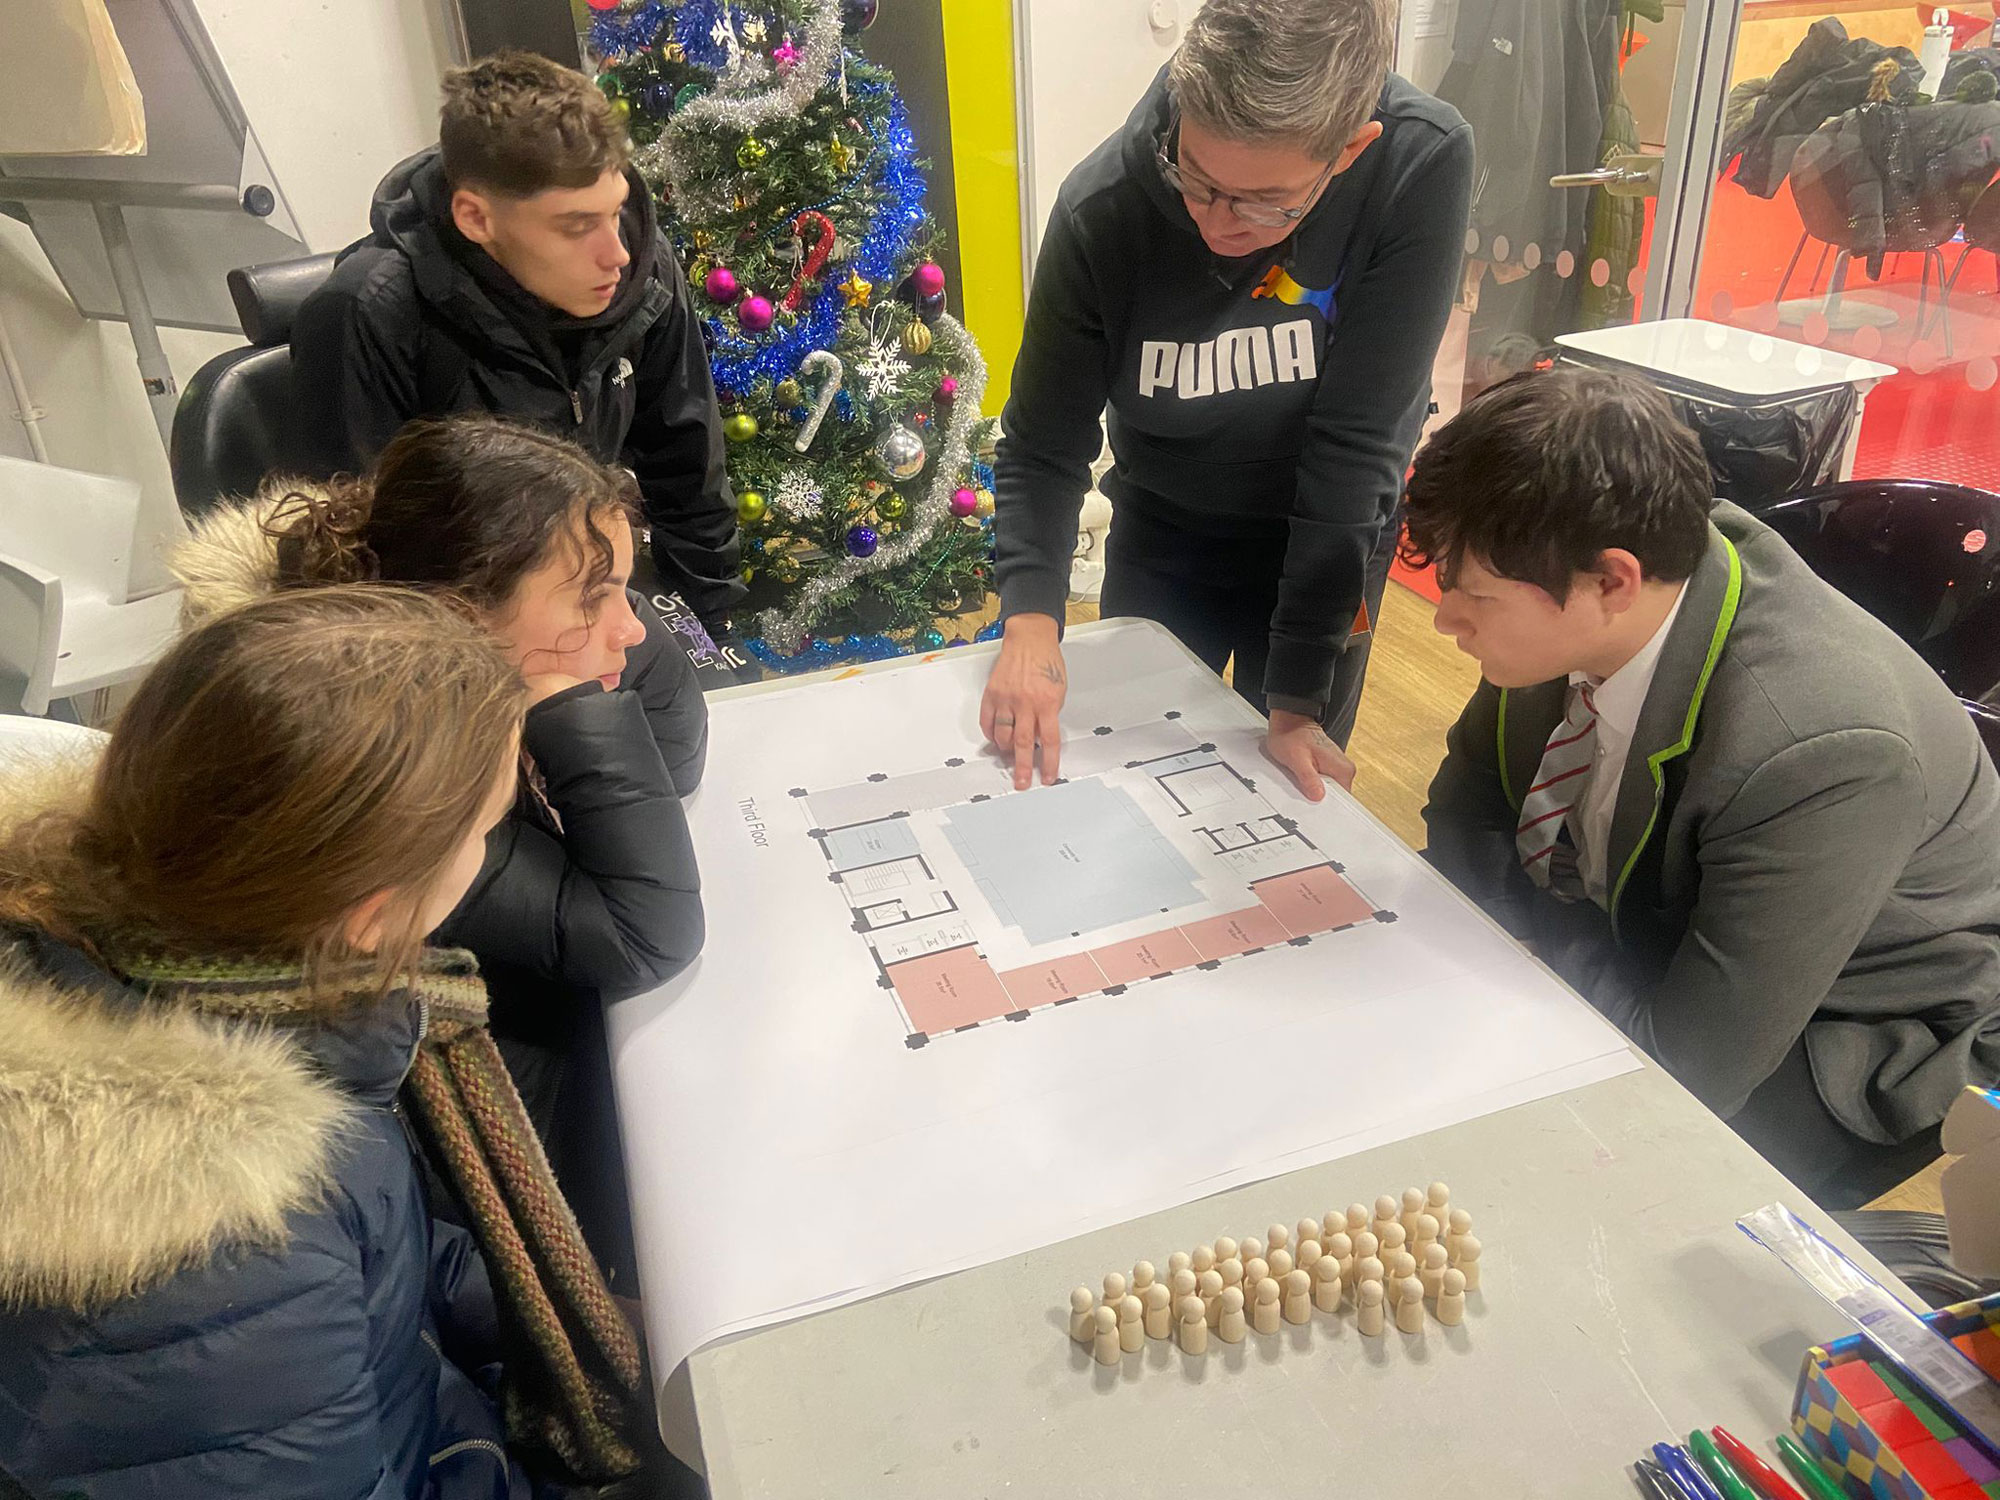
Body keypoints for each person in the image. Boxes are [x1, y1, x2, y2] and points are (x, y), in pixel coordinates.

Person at [0, 589, 645, 1495]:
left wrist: (568, 1326)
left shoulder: (146, 942)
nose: (486, 852)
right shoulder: (215, 1263)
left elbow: (387, 1260)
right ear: (373, 918)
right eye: (484, 830)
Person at [1416, 366, 2000, 1207]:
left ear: (1612, 580)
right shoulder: (1583, 591)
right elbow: (1464, 810)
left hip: (1848, 1026)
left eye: (1471, 595)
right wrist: (1526, 937)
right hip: (1643, 939)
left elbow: (1686, 1068)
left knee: (1570, 1194)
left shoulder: (1819, 747)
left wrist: (1526, 941)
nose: (1444, 619)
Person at [173, 413, 703, 1286]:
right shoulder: (369, 766)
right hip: (487, 1131)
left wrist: (582, 624)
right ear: (462, 617)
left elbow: (676, 755)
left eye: (623, 589)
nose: (633, 627)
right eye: (590, 598)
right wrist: (575, 698)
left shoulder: (473, 645)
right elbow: (641, 935)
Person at [982, 0, 1473, 797]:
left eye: (1264, 202)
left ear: (1351, 150)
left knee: (1281, 793)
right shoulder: (1103, 207)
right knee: (1136, 779)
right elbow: (1042, 443)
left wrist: (1296, 698)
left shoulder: (1420, 161)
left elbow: (1358, 446)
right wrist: (1031, 619)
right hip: (1167, 529)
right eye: (1197, 180)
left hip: (1327, 538)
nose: (1216, 223)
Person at [290, 48, 744, 643]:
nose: (618, 253)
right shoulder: (368, 311)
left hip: (592, 587)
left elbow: (687, 463)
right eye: (578, 226)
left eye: (616, 210)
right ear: (476, 219)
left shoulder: (642, 271)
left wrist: (715, 631)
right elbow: (363, 571)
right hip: (459, 637)